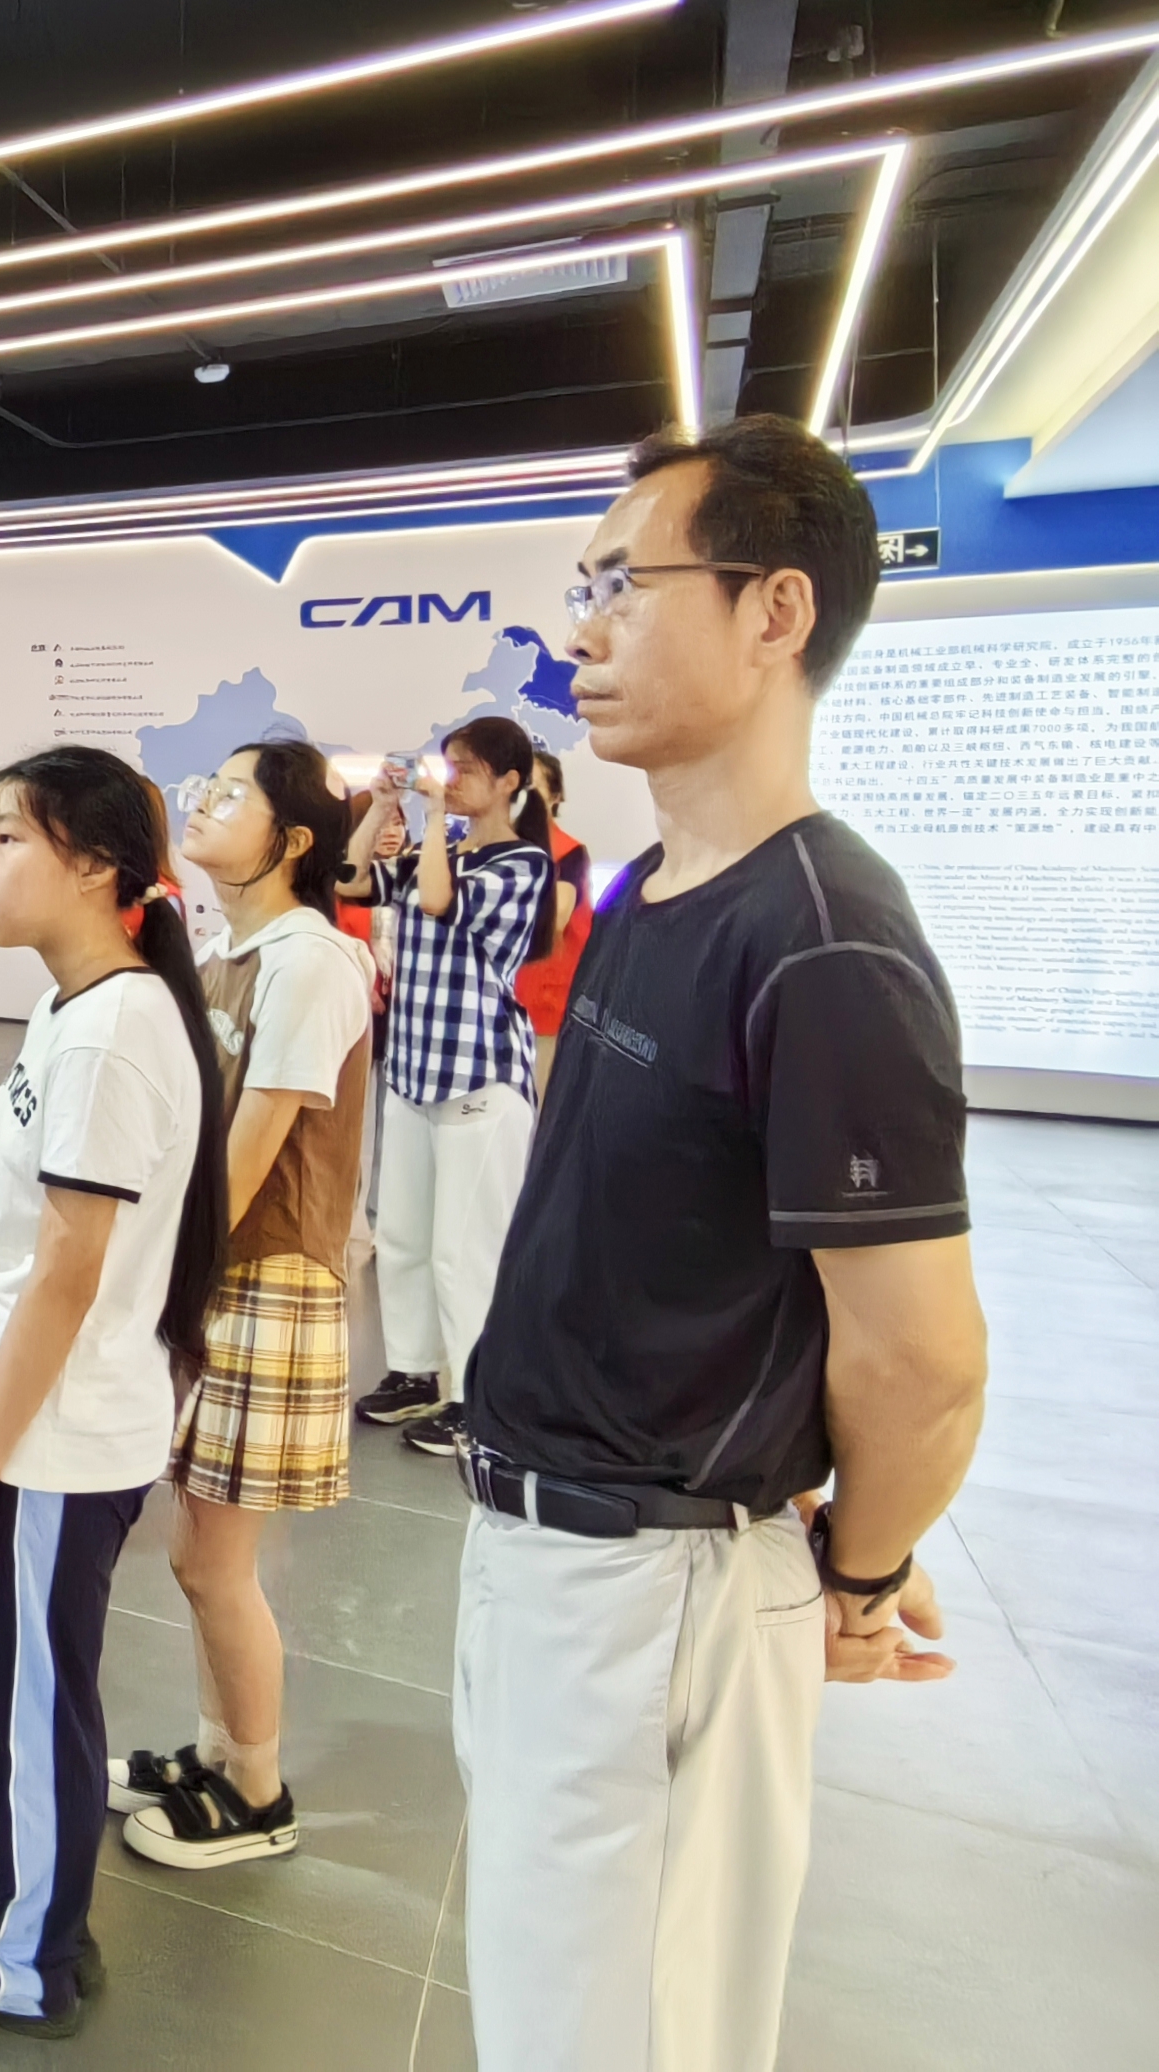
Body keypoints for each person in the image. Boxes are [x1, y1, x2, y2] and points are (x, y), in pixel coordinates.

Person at [454, 416, 983, 2072]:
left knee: (621, 2034)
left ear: (774, 611)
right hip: (550, 1556)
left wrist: (856, 1573)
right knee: (549, 2010)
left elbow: (919, 1359)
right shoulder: (649, 888)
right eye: (581, 589)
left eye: (624, 583)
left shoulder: (824, 942)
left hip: (653, 1588)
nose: (583, 632)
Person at [0, 746, 225, 2039]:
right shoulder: (76, 1007)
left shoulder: (115, 1031)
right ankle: (18, 1900)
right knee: (13, 1689)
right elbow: (23, 1237)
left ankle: (27, 1962)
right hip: (32, 1418)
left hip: (57, 1443)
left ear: (95, 865)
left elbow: (72, 1274)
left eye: (8, 837)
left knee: (27, 1701)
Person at [107, 741, 373, 1869]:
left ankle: (258, 1795)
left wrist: (148, 1277)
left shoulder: (311, 962)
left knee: (216, 1564)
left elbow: (251, 1151)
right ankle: (219, 1752)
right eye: (205, 790)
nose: (203, 805)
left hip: (269, 1280)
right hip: (220, 1278)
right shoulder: (232, 950)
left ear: (293, 841)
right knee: (197, 1557)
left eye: (230, 796)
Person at [340, 713, 554, 1457]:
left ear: (508, 782)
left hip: (479, 1079)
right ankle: (413, 1370)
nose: (451, 779)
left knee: (467, 1252)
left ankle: (475, 1396)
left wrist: (431, 818)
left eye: (466, 770)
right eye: (447, 765)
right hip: (411, 1072)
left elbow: (438, 901)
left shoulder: (522, 865)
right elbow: (350, 879)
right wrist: (381, 807)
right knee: (402, 1236)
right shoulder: (440, 852)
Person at [513, 749, 593, 1101]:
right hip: (493, 1005)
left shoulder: (568, 853)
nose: (520, 792)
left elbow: (556, 920)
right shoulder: (491, 848)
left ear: (556, 796)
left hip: (544, 1004)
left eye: (531, 784)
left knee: (539, 1109)